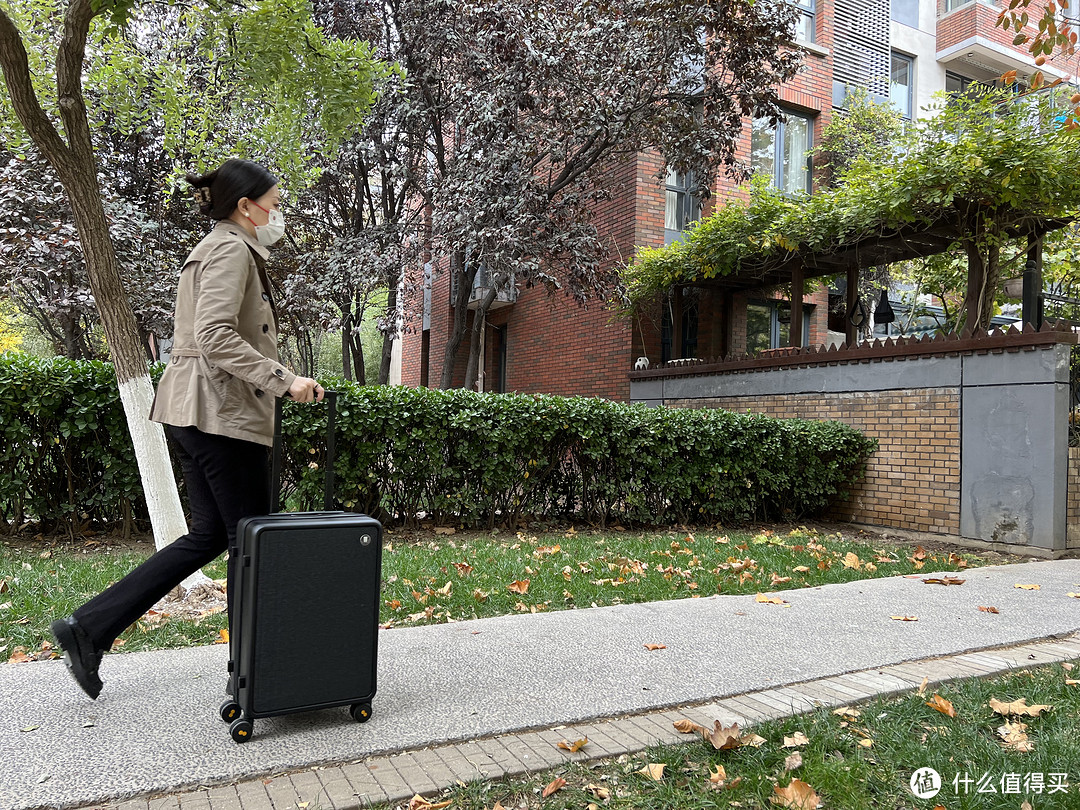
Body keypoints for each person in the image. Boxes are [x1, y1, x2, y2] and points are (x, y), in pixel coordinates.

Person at [51, 158, 323, 700]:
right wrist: (284, 380)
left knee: (208, 538)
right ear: (246, 207)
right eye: (272, 204)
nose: (277, 215)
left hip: (197, 412)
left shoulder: (222, 247)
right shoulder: (229, 250)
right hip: (219, 414)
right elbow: (215, 336)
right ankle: (260, 673)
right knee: (255, 540)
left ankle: (89, 629)